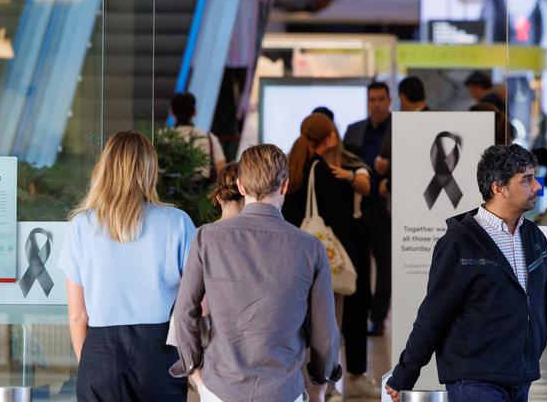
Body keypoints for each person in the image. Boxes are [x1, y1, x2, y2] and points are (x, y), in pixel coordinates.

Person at [386, 144, 547, 402]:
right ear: (499, 188)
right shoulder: (459, 243)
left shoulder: (534, 237)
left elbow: (546, 304)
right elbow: (433, 315)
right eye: (527, 180)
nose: (538, 187)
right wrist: (404, 376)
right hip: (474, 380)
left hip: (520, 379)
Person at [171, 144, 342, 402]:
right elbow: (325, 332)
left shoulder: (207, 238)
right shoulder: (310, 248)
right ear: (284, 186)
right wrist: (320, 380)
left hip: (221, 387)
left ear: (241, 187)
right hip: (284, 389)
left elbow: (184, 311)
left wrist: (194, 370)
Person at [58, 131, 197, 402]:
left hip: (99, 353)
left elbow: (78, 316)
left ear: (104, 169)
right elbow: (197, 302)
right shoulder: (177, 223)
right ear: (149, 170)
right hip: (158, 354)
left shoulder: (81, 226)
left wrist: (91, 365)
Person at [284, 114, 376, 399]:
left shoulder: (291, 167)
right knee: (330, 323)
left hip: (297, 258)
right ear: (329, 137)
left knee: (303, 322)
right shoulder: (320, 170)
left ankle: (303, 381)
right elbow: (338, 220)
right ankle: (327, 386)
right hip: (328, 259)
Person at [343, 82, 394, 338]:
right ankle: (357, 314)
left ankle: (379, 317)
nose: (376, 104)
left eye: (381, 99)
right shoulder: (354, 131)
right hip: (357, 208)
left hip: (385, 208)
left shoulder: (399, 129)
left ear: (389, 100)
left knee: (384, 265)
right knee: (358, 264)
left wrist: (391, 178)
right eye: (372, 99)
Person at [172, 92, 228, 179]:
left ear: (172, 112)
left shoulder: (163, 139)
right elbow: (223, 172)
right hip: (202, 191)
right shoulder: (209, 139)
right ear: (194, 112)